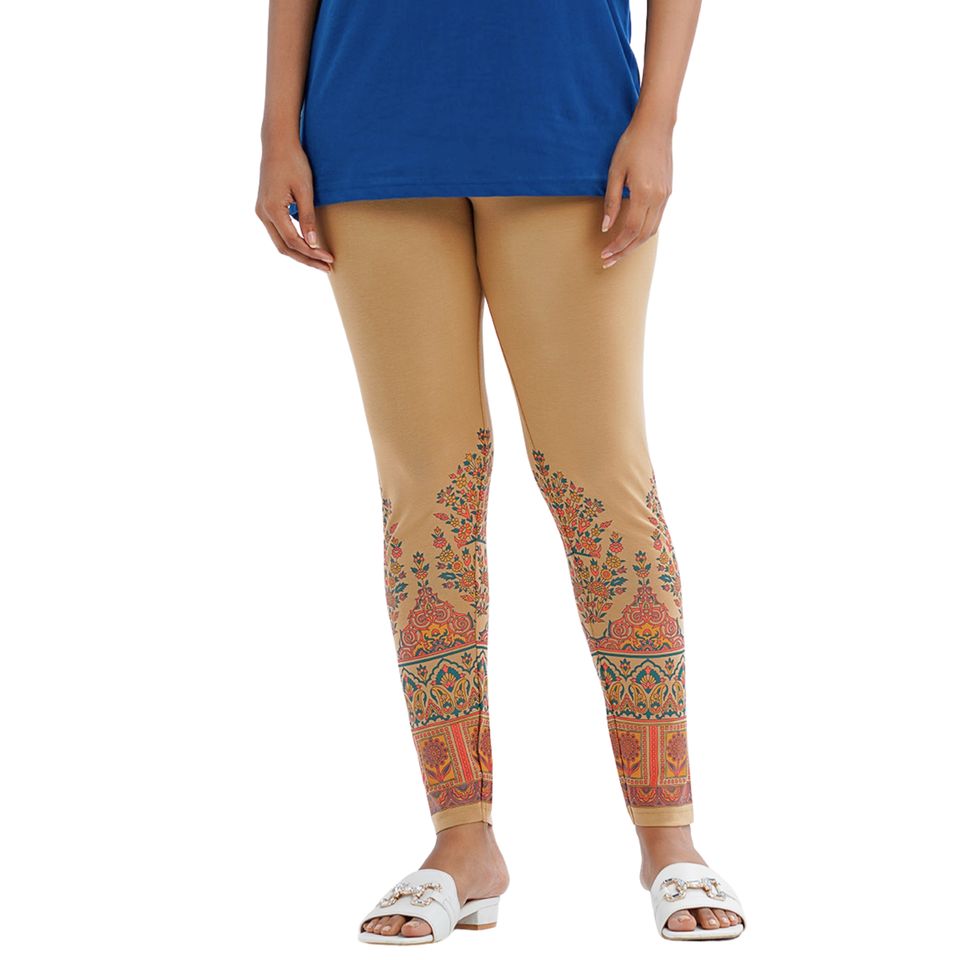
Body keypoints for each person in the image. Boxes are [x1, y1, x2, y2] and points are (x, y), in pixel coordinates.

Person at [256, 0, 746, 943]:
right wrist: (279, 130)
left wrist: (658, 118)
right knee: (424, 495)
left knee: (602, 484)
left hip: (568, 118)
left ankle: (668, 836)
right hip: (368, 122)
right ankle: (463, 842)